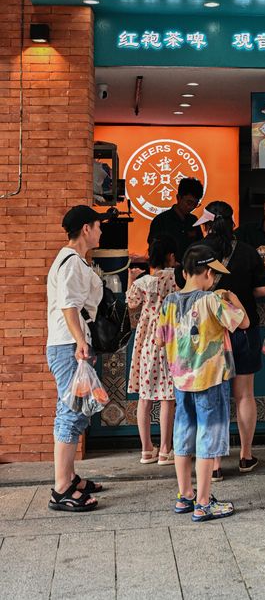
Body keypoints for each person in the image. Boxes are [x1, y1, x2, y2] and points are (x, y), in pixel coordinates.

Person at [157, 245, 250, 522]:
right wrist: (232, 297)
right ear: (208, 272)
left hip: (181, 380)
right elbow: (243, 323)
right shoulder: (213, 300)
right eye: (215, 275)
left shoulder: (169, 302)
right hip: (210, 380)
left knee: (183, 435)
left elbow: (161, 340)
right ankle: (204, 502)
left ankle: (185, 494)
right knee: (208, 438)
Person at [188, 200, 265, 480]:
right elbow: (261, 289)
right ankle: (246, 456)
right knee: (244, 395)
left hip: (209, 335)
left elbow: (184, 287)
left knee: (214, 397)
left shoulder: (197, 253)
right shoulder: (247, 251)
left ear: (207, 225)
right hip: (242, 330)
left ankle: (214, 465)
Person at [46, 205, 106, 513]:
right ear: (86, 229)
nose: (100, 231)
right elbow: (68, 305)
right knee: (70, 412)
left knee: (79, 410)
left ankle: (70, 478)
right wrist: (81, 342)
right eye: (98, 226)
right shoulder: (70, 262)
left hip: (73, 344)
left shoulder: (75, 261)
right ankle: (61, 490)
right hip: (69, 345)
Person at [127, 234, 178, 466]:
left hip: (147, 341)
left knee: (145, 397)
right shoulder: (176, 279)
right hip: (169, 340)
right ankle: (166, 450)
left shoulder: (143, 282)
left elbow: (131, 302)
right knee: (168, 396)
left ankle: (147, 450)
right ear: (171, 256)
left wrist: (131, 278)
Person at [147, 177, 204, 262]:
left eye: (195, 204)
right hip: (167, 272)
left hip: (190, 271)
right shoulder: (161, 221)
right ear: (178, 198)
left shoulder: (193, 221)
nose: (191, 207)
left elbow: (200, 247)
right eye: (189, 203)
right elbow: (153, 251)